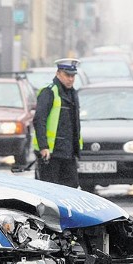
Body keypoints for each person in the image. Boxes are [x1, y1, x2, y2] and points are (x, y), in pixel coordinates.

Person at [32, 58, 82, 188]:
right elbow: (39, 120)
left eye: (73, 76)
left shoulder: (73, 94)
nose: (70, 79)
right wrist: (43, 147)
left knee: (71, 189)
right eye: (67, 75)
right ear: (58, 73)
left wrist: (76, 150)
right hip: (51, 154)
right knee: (50, 191)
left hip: (68, 153)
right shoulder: (49, 92)